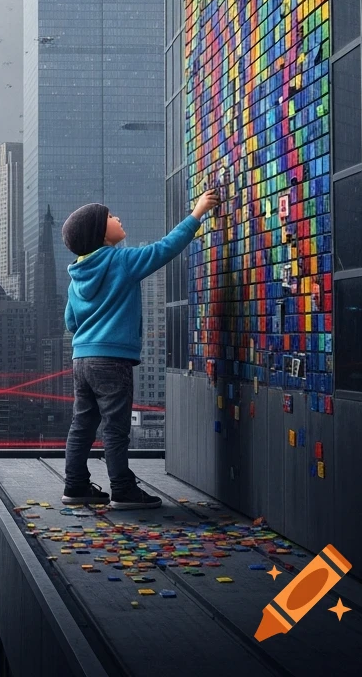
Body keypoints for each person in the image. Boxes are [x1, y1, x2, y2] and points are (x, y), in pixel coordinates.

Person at [60, 187, 221, 509]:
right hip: (111, 360)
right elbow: (165, 249)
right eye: (110, 217)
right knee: (116, 428)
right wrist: (197, 213)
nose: (117, 218)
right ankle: (123, 489)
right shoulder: (121, 260)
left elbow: (70, 322)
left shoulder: (77, 273)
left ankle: (75, 486)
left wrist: (92, 336)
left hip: (82, 359)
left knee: (82, 424)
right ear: (100, 233)